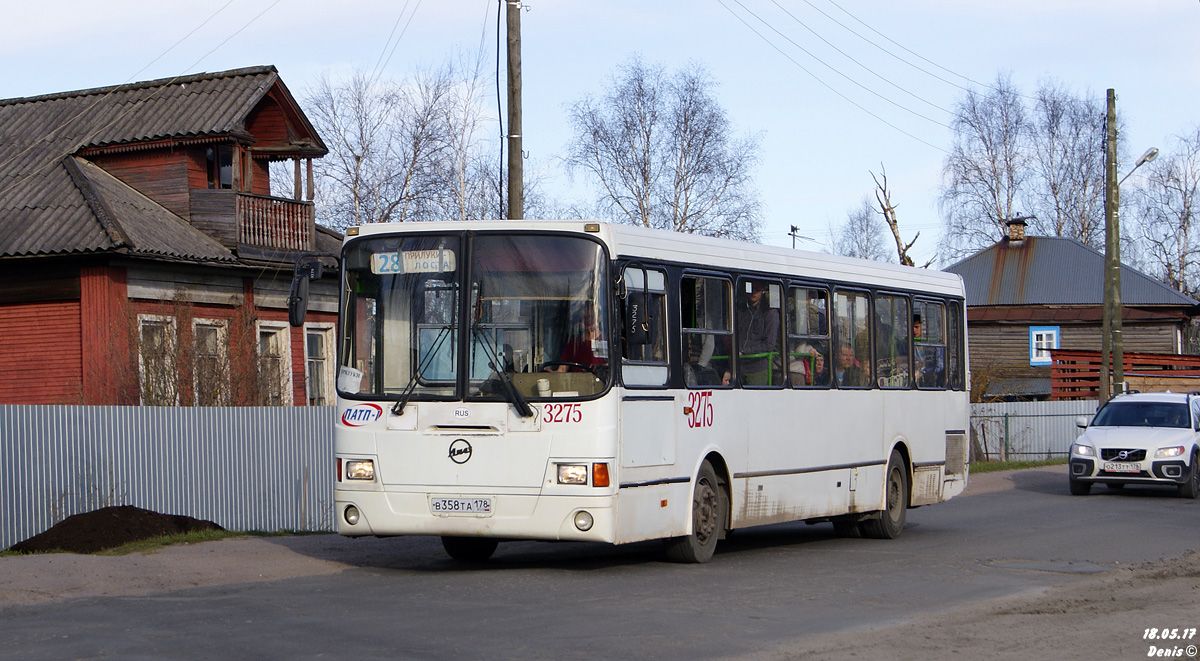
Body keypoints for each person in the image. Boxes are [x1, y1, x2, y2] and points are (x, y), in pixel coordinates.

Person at [733, 282, 780, 386]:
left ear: (763, 290)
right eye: (751, 289)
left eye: (757, 289)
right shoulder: (741, 311)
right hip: (738, 367)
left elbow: (769, 345)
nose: (753, 292)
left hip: (757, 369)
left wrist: (744, 351)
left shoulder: (770, 313)